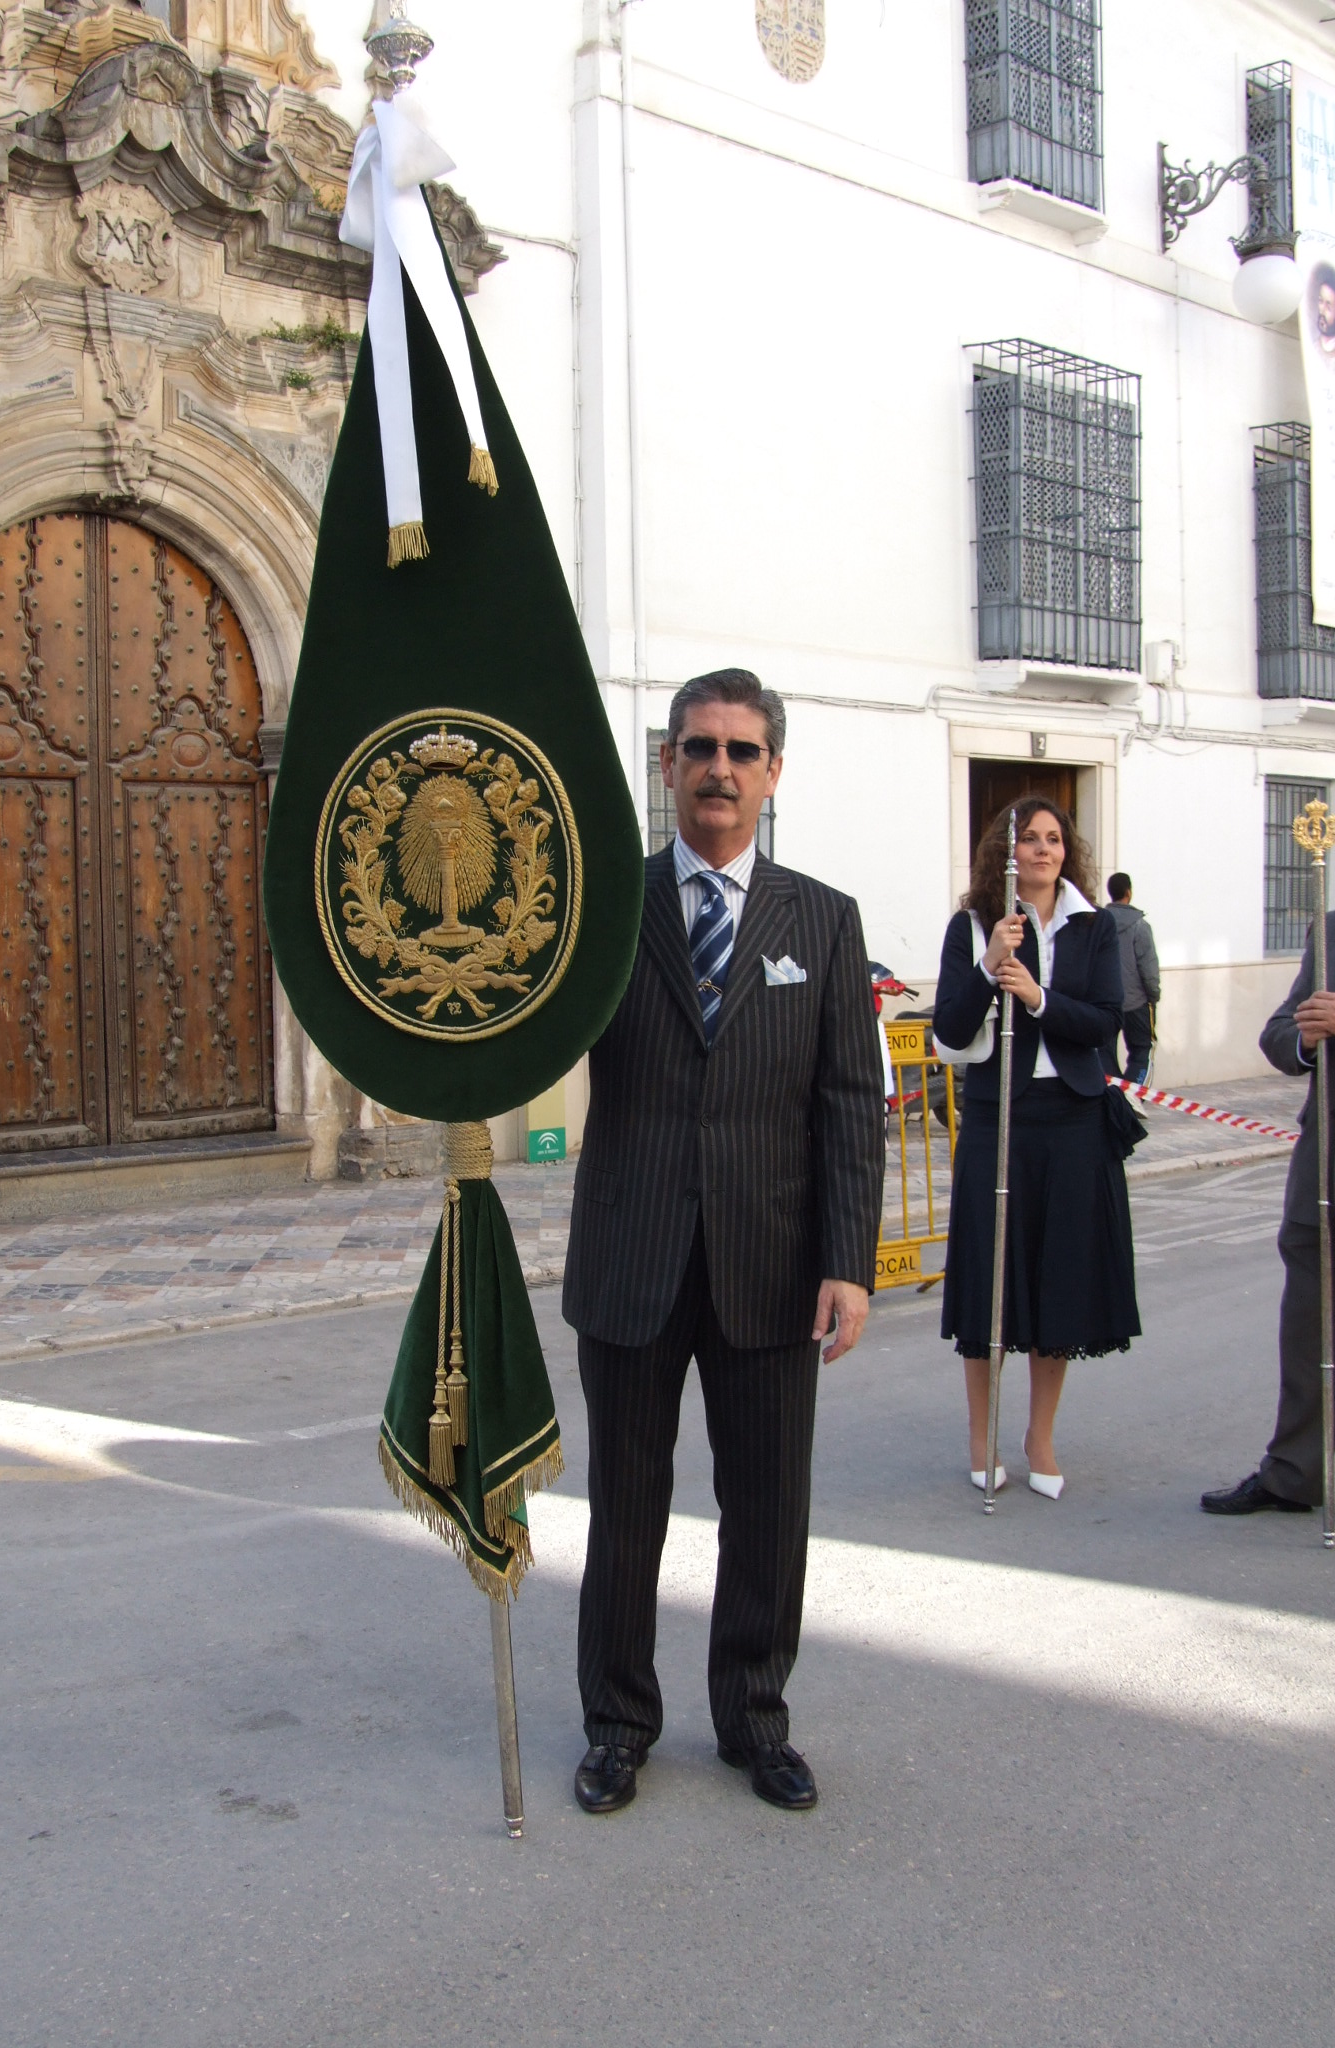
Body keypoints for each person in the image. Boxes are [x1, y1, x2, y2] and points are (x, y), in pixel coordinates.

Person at [561, 668, 884, 1816]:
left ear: (774, 772)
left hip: (772, 1264)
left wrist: (850, 1259)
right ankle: (616, 1722)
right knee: (626, 1507)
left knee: (767, 1508)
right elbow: (539, 1020)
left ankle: (754, 1716)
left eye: (744, 751)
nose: (720, 768)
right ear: (667, 764)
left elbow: (849, 1100)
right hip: (632, 1252)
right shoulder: (605, 906)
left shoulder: (823, 920)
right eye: (700, 746)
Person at [933, 799, 1139, 1501]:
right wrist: (991, 966)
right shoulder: (973, 924)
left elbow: (1109, 1021)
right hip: (999, 1120)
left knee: (1058, 1280)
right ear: (1006, 850)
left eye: (1054, 839)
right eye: (1030, 838)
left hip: (1075, 1118)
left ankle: (1040, 1435)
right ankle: (981, 1431)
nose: (1044, 849)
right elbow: (951, 1033)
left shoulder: (1095, 925)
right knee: (991, 1277)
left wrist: (1042, 998)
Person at [1200, 914, 1335, 1517]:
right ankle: (1294, 1473)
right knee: (1307, 1327)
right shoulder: (1328, 930)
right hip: (1323, 1162)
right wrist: (1306, 1038)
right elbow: (1279, 1032)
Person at [1104, 873, 1160, 1084]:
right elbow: (1149, 969)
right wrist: (1154, 996)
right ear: (1129, 892)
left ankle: (1114, 1096)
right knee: (1141, 1050)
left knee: (1104, 1053)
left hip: (1106, 1001)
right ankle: (1131, 1096)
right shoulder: (1141, 927)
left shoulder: (1100, 923)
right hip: (1137, 1002)